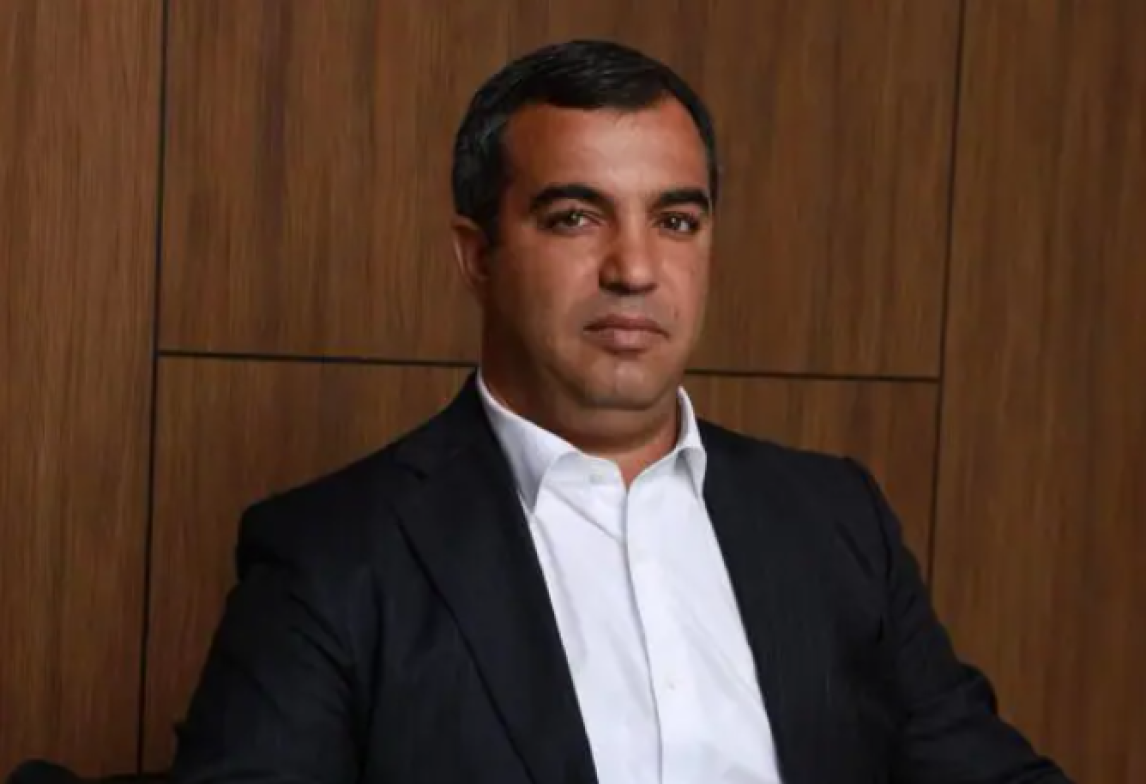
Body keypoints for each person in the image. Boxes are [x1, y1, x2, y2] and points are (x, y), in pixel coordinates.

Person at [172, 39, 1072, 784]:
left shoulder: (836, 521)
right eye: (576, 217)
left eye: (675, 221)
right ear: (477, 257)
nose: (635, 269)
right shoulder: (333, 554)